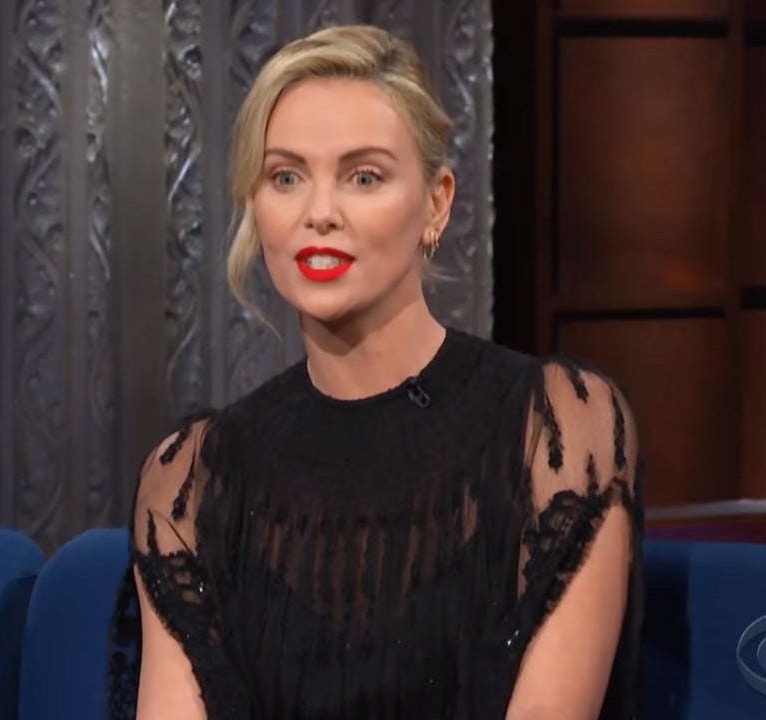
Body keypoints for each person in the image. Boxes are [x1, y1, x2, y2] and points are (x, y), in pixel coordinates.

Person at [108, 24, 643, 720]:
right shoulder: (191, 480)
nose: (319, 214)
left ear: (436, 203)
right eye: (286, 177)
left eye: (363, 176)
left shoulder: (558, 433)